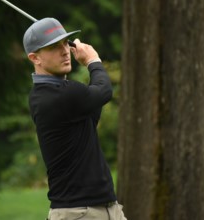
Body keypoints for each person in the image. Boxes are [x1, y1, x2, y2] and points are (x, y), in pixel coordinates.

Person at [23, 17, 127, 220]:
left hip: (107, 209)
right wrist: (92, 61)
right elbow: (104, 91)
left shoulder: (55, 93)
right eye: (54, 47)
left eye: (65, 43)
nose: (64, 51)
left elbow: (92, 109)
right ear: (35, 58)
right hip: (78, 213)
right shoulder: (54, 95)